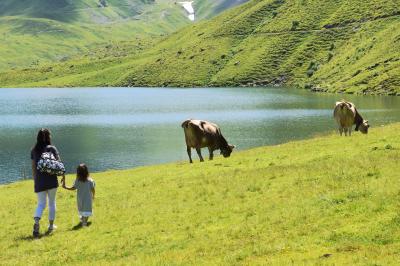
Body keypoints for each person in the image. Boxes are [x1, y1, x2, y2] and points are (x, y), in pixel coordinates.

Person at [31, 128, 64, 237]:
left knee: (41, 204)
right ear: (49, 137)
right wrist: (63, 176)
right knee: (52, 203)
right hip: (52, 181)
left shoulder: (34, 150)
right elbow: (59, 164)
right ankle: (51, 226)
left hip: (40, 181)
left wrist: (35, 181)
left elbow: (33, 168)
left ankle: (36, 223)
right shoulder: (52, 149)